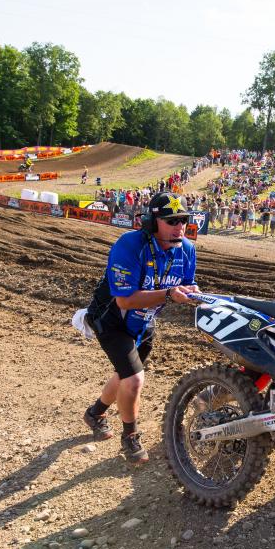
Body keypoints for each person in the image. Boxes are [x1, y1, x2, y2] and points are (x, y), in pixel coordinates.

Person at [82, 193, 200, 464]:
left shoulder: (187, 250)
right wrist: (170, 293)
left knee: (126, 374)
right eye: (171, 221)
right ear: (152, 222)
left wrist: (192, 293)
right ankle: (130, 437)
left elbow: (185, 283)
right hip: (111, 318)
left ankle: (95, 413)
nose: (179, 226)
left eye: (183, 219)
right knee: (134, 378)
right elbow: (124, 299)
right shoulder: (130, 244)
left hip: (144, 320)